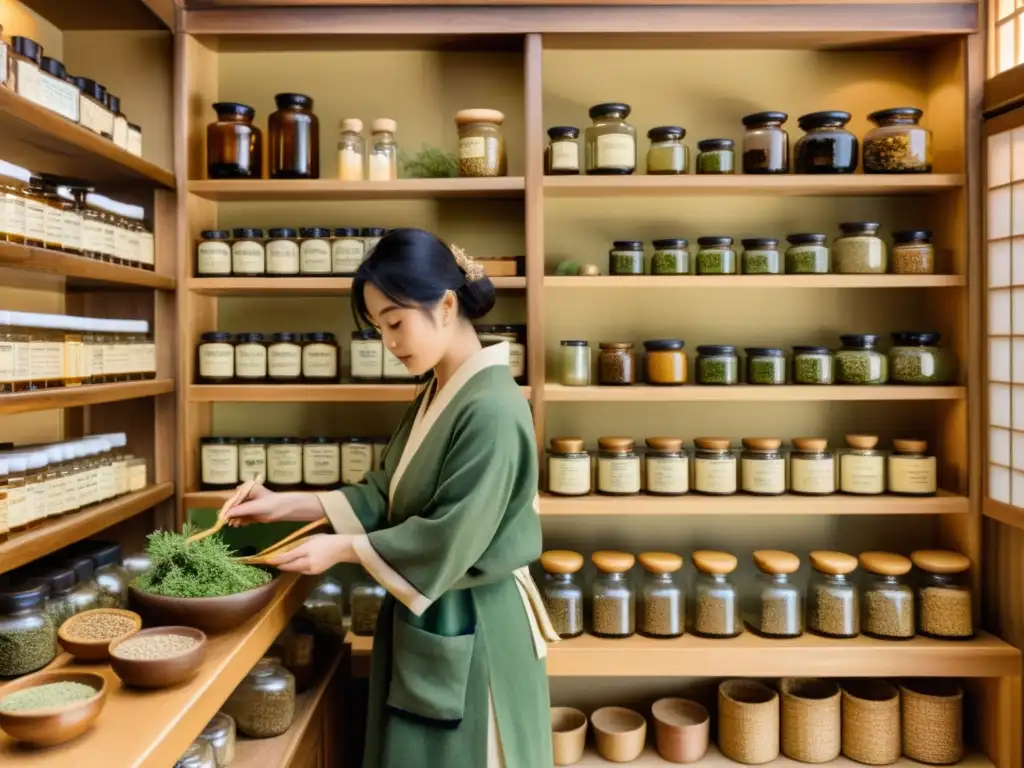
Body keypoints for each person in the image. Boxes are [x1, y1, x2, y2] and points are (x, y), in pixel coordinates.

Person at [225, 227, 557, 767]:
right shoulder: (438, 389)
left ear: (446, 306)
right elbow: (389, 490)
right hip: (436, 609)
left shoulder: (493, 409)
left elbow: (451, 534)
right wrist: (285, 503)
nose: (390, 343)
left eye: (396, 323)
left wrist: (341, 549)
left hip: (477, 625)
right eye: (380, 328)